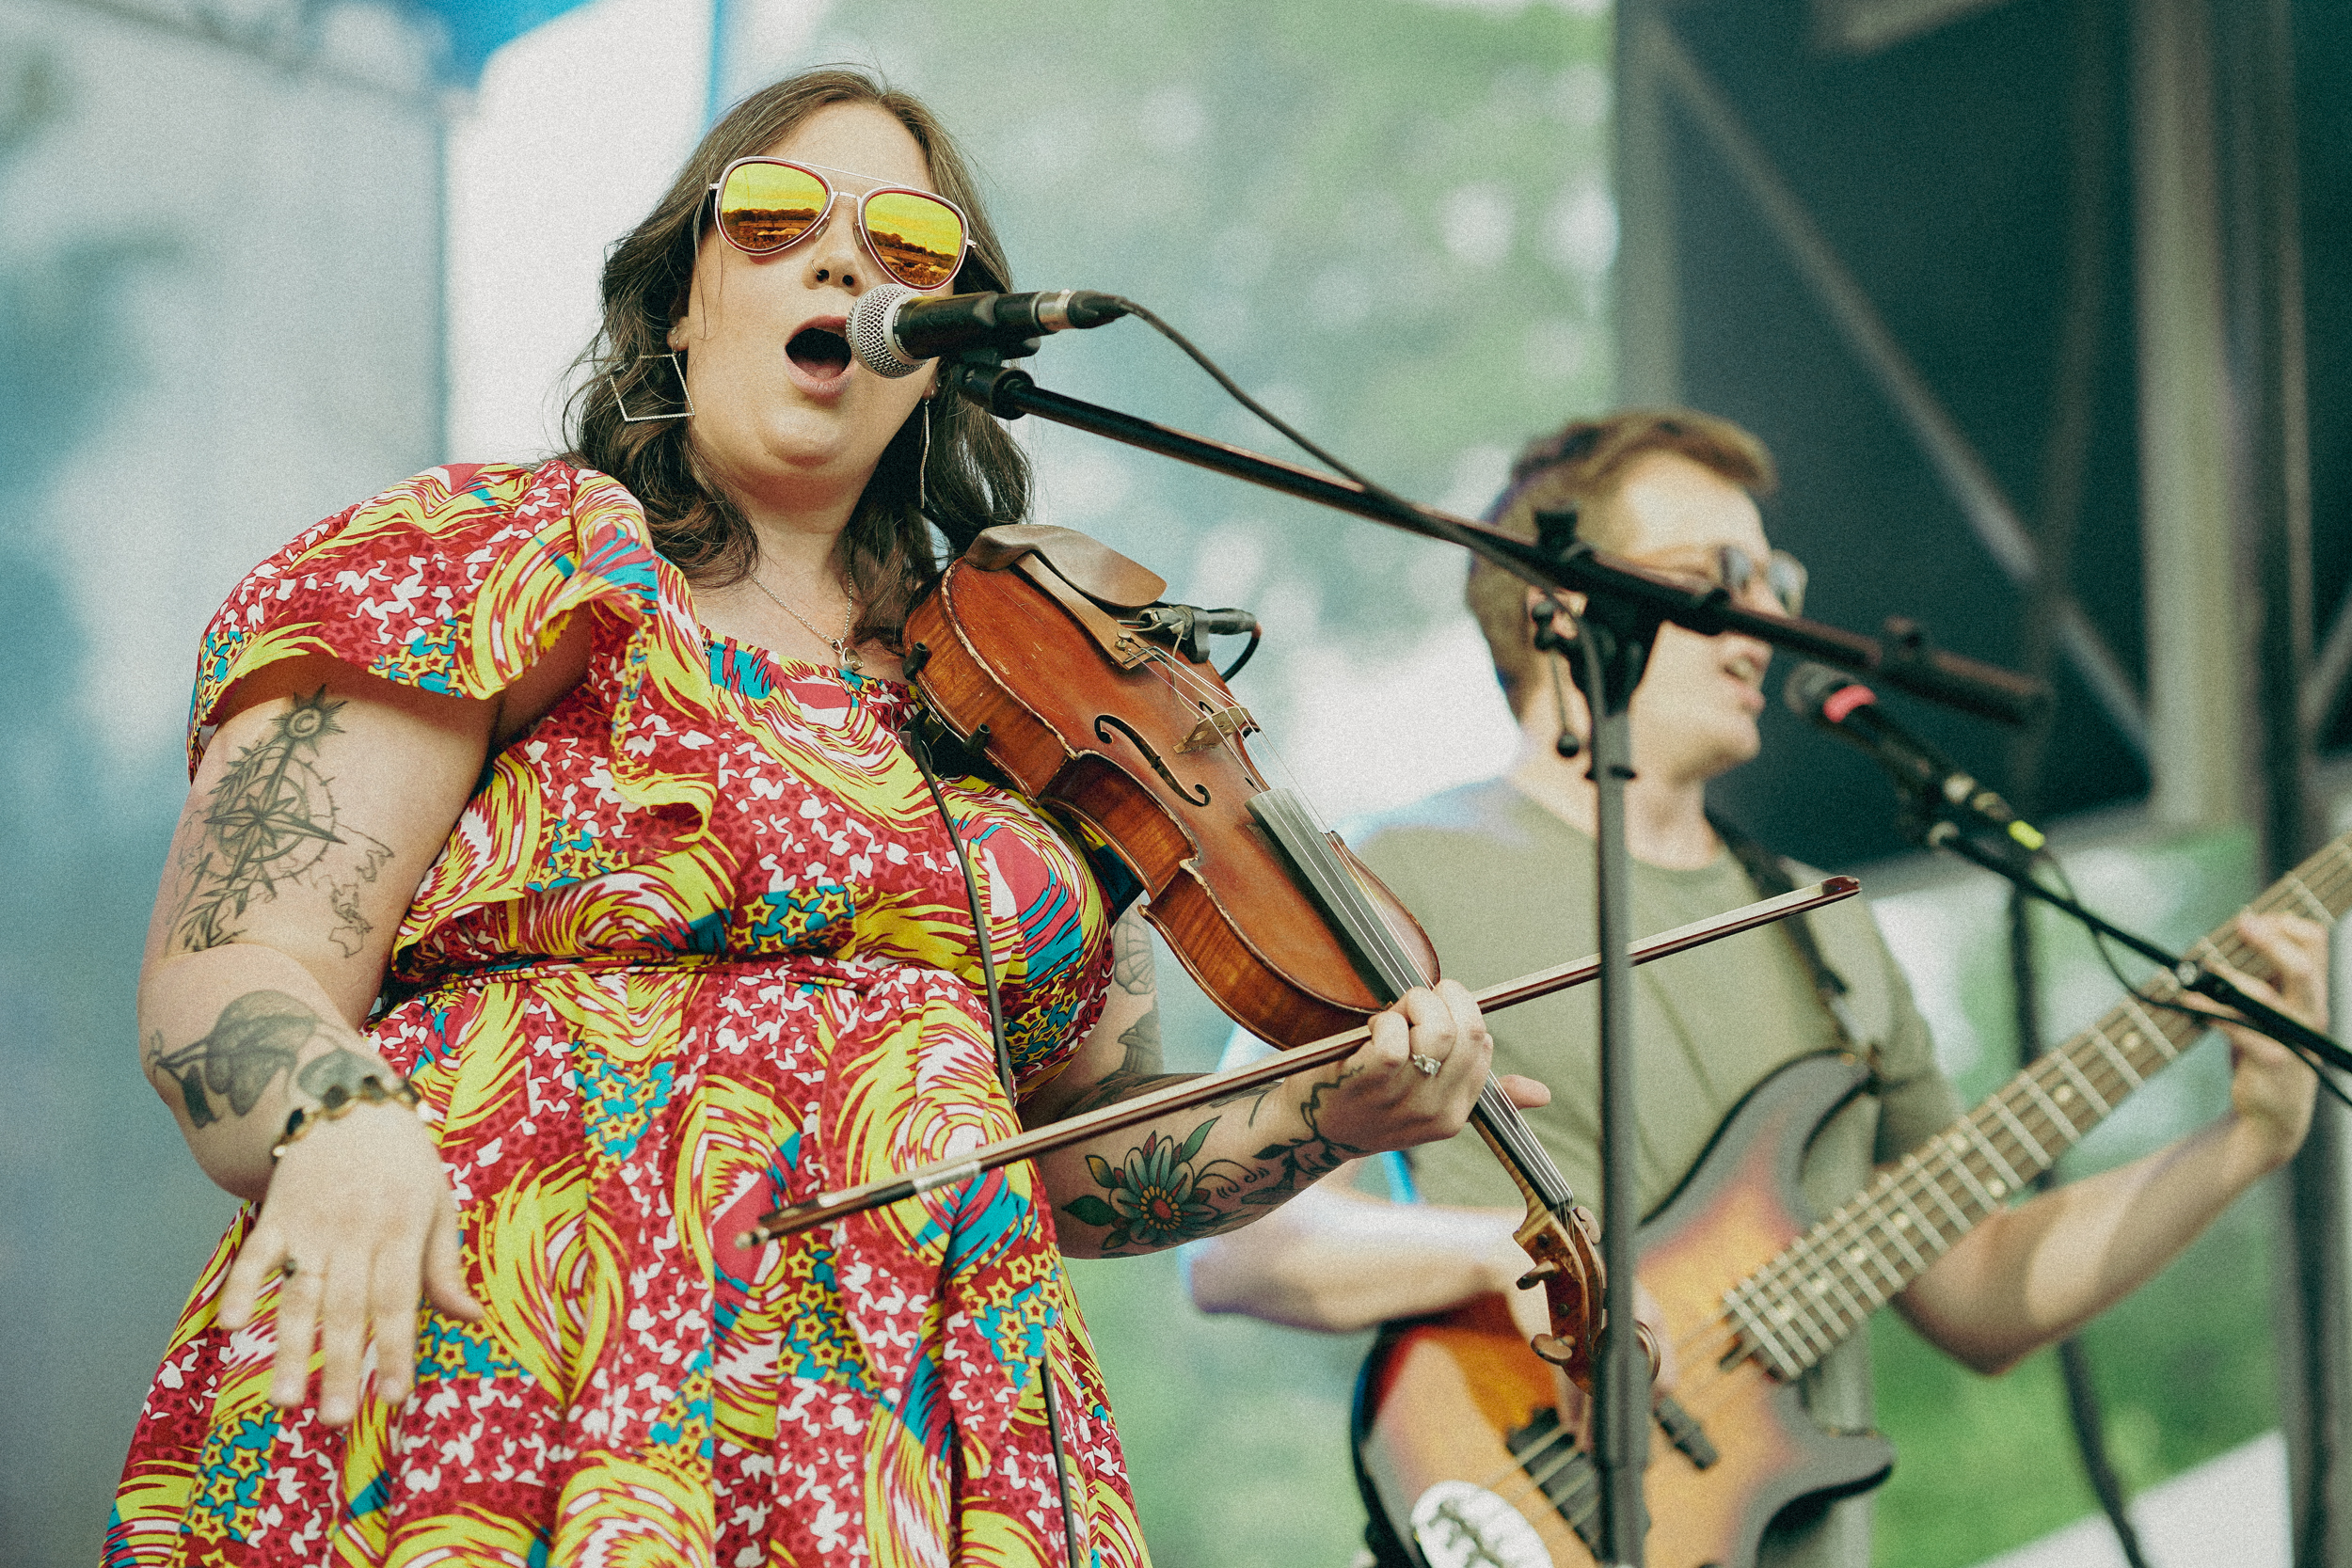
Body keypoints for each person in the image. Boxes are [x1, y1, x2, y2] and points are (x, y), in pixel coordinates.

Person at [108, 68, 1523, 1568]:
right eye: (779, 217)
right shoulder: (500, 554)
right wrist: (338, 1130)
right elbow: (231, 968)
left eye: (910, 246)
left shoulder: (1026, 686)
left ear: (946, 350)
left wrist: (1327, 1116)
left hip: (925, 1422)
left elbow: (1072, 1157)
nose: (848, 264)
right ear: (678, 300)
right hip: (513, 1349)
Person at [1185, 408, 2329, 1566]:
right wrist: (1516, 1253)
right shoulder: (1401, 874)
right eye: (1714, 578)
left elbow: (1977, 1290)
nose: (1767, 621)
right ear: (1561, 601)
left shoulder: (1824, 926)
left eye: (1772, 577)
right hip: (1504, 1496)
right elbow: (1235, 1244)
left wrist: (2243, 1140)